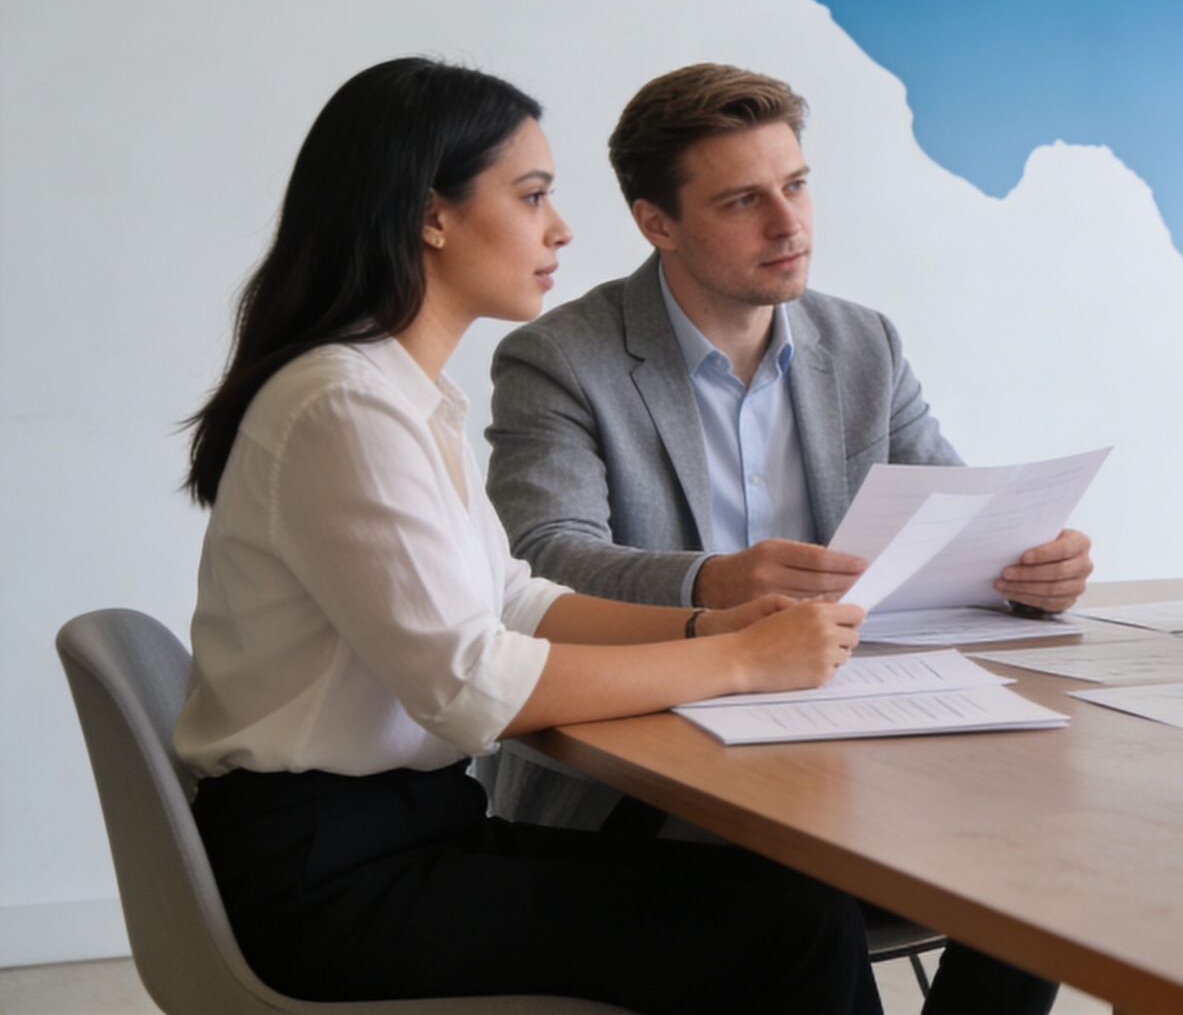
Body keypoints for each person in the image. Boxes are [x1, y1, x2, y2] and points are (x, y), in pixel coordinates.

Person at [176, 58, 878, 1012]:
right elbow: (473, 686)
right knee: (796, 934)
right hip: (332, 881)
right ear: (433, 216)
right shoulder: (344, 406)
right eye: (533, 195)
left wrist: (703, 633)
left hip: (393, 835)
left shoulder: (395, 391)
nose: (562, 228)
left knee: (798, 910)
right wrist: (744, 663)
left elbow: (516, 600)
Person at [482, 62, 1074, 1013]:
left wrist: (1026, 568)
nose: (788, 224)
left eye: (796, 186)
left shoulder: (863, 344)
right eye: (743, 201)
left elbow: (949, 521)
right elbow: (540, 560)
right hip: (650, 765)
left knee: (1052, 854)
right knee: (800, 901)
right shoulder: (562, 360)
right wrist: (713, 581)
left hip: (844, 736)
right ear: (656, 222)